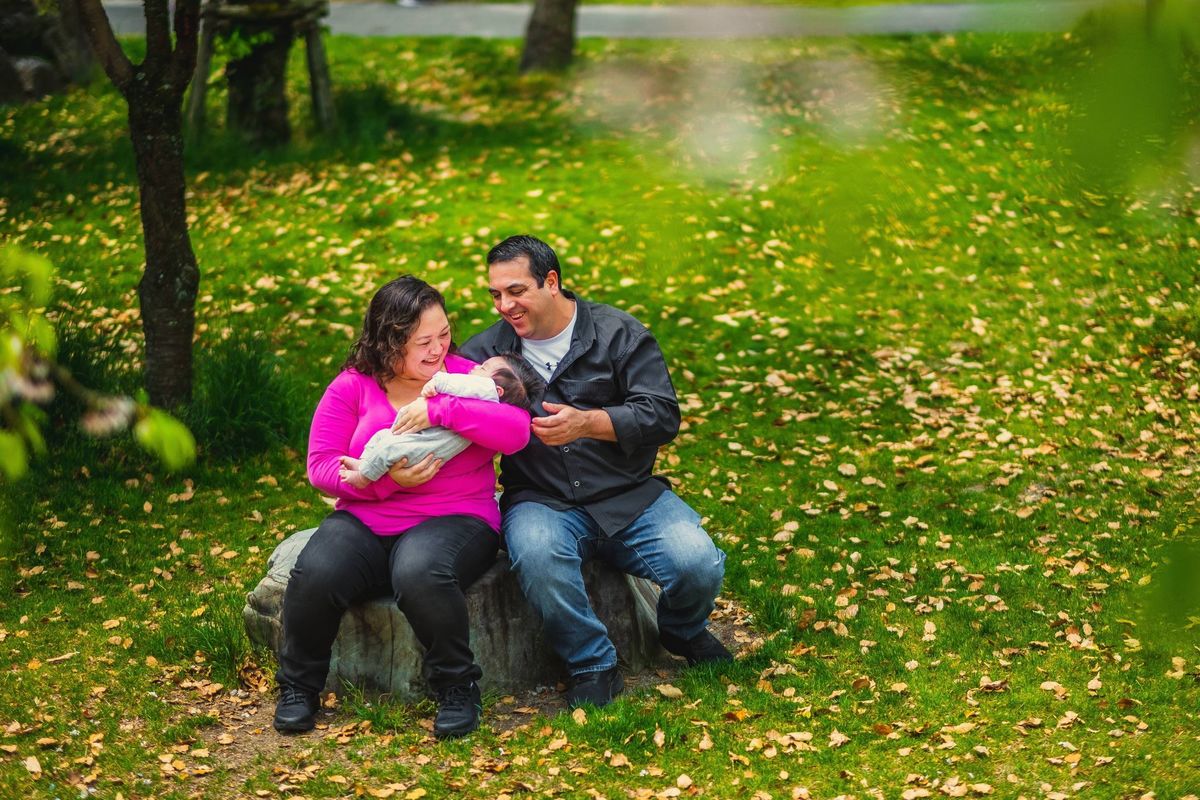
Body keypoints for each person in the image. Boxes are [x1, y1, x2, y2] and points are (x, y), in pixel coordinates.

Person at [459, 235, 732, 709]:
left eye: (517, 291)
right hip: (540, 499)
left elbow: (662, 415)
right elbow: (449, 412)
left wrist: (589, 423)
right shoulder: (484, 351)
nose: (505, 305)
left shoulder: (619, 334)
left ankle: (682, 630)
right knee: (538, 557)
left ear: (551, 281)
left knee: (697, 563)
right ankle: (593, 664)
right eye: (496, 294)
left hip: (629, 496)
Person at [274, 276, 531, 738]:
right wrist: (385, 484)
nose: (437, 349)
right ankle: (298, 687)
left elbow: (516, 432)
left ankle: (456, 688)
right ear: (389, 341)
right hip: (368, 517)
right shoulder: (353, 386)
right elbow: (321, 467)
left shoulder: (466, 380)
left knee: (419, 573)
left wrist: (440, 412)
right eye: (422, 342)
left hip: (457, 517)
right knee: (317, 570)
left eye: (444, 334)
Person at [338, 354, 543, 489]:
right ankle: (366, 464)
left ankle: (364, 476)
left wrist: (436, 385)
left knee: (389, 447)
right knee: (384, 439)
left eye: (483, 367)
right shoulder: (491, 401)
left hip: (426, 444)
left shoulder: (483, 388)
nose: (475, 367)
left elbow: (453, 382)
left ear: (497, 390)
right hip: (433, 447)